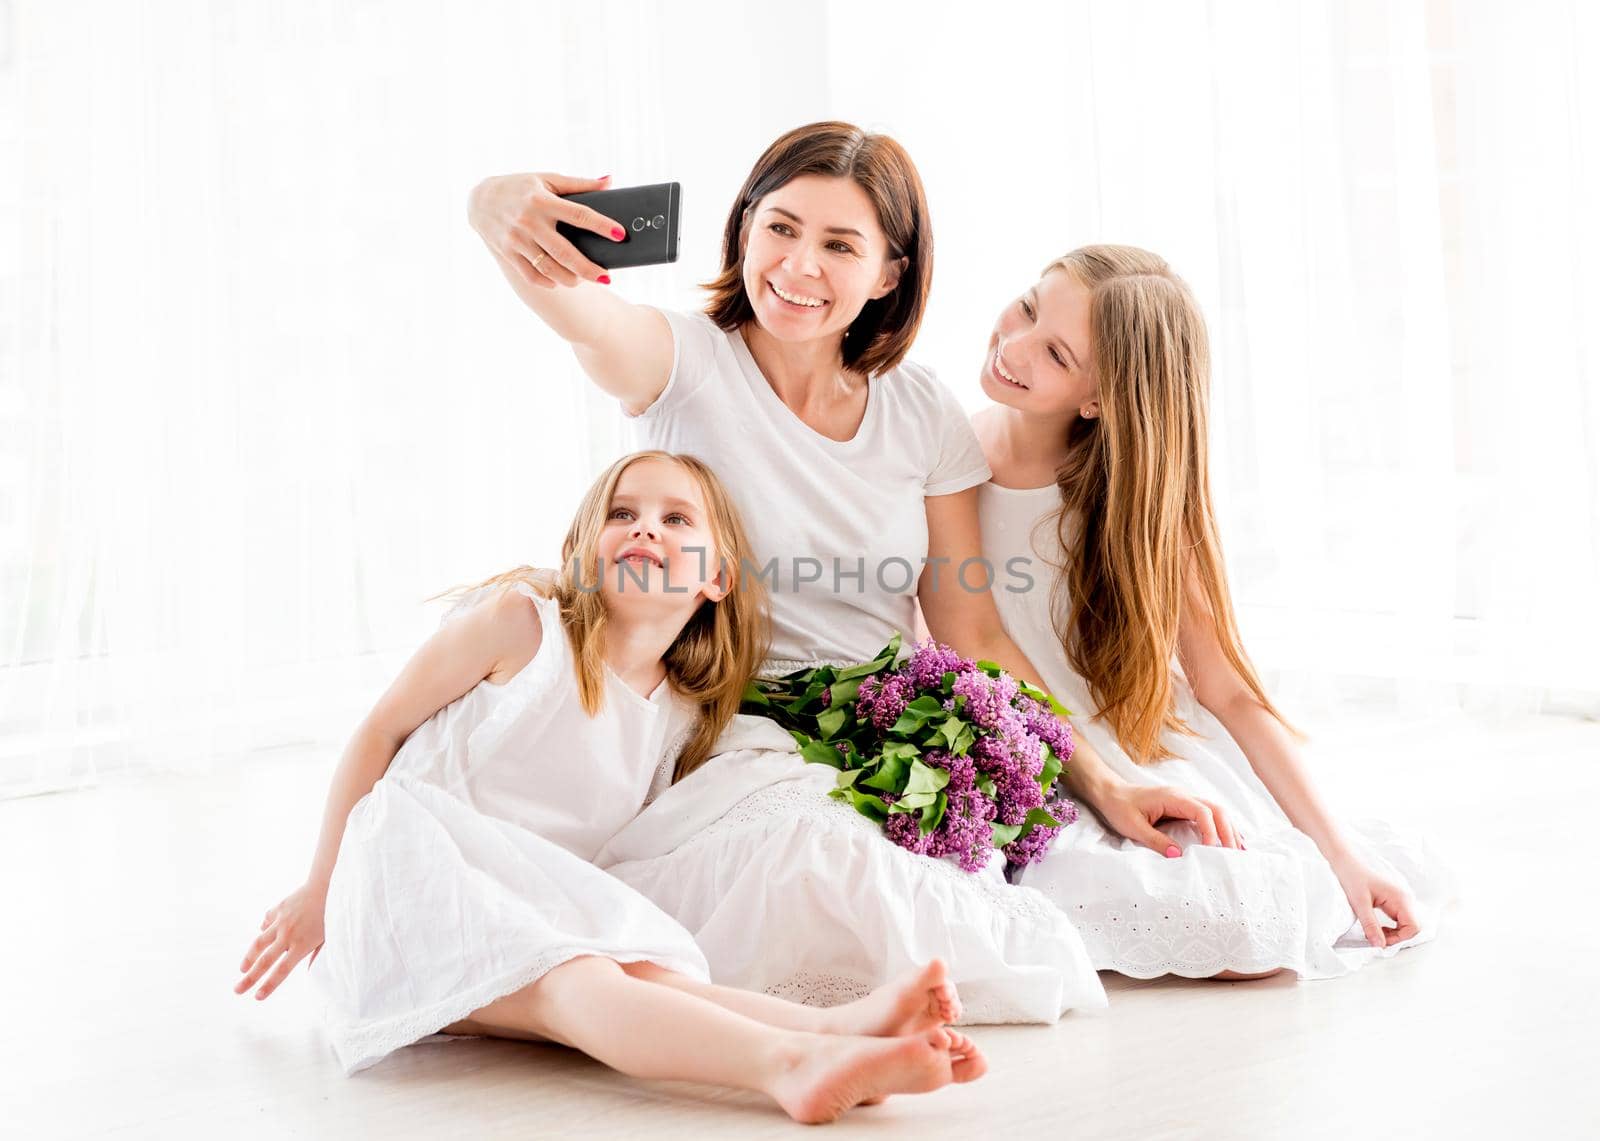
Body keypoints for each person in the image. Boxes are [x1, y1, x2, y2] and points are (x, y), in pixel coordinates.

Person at [466, 121, 1229, 1016]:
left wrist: (1101, 777)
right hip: (736, 725)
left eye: (840, 245)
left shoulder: (920, 413)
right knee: (822, 866)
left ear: (888, 274)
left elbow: (971, 631)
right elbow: (572, 308)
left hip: (888, 723)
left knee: (1082, 898)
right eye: (780, 227)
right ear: (744, 226)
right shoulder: (681, 362)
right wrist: (489, 205)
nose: (798, 266)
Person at [233, 451, 983, 1124]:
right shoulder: (522, 627)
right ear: (583, 552)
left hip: (521, 900)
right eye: (622, 513)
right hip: (408, 876)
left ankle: (831, 1029)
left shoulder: (679, 711)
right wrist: (319, 887)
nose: (644, 528)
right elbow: (378, 732)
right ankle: (788, 1066)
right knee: (577, 977)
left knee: (637, 962)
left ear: (718, 577)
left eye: (674, 518)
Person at [972, 245, 1456, 979]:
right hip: (1025, 737)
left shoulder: (1131, 503)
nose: (1013, 345)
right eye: (1029, 307)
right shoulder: (944, 455)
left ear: (1099, 398)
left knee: (1237, 913)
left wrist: (1341, 854)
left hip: (1128, 742)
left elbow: (1227, 688)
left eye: (1056, 352)